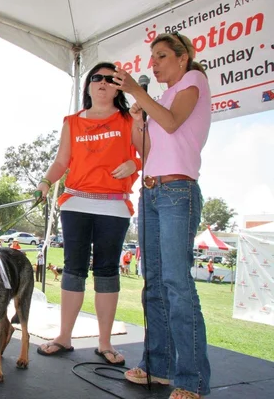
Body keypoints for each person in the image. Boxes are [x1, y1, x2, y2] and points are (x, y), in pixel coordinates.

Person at [113, 32, 212, 398]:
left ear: (183, 58)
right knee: (153, 283)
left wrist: (139, 96)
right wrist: (139, 119)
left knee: (176, 284)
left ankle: (192, 379)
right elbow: (147, 147)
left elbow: (172, 123)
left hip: (177, 192)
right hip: (152, 191)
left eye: (161, 56)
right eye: (152, 57)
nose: (153, 62)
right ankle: (159, 366)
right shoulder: (162, 98)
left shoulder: (192, 81)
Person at [35, 61, 144, 367]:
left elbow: (148, 152)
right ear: (88, 85)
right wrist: (45, 182)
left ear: (118, 86)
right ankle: (64, 337)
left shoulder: (128, 118)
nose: (103, 82)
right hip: (76, 204)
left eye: (111, 79)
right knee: (73, 270)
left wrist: (135, 164)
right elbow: (61, 161)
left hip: (114, 205)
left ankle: (105, 343)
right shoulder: (72, 121)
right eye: (97, 77)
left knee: (107, 272)